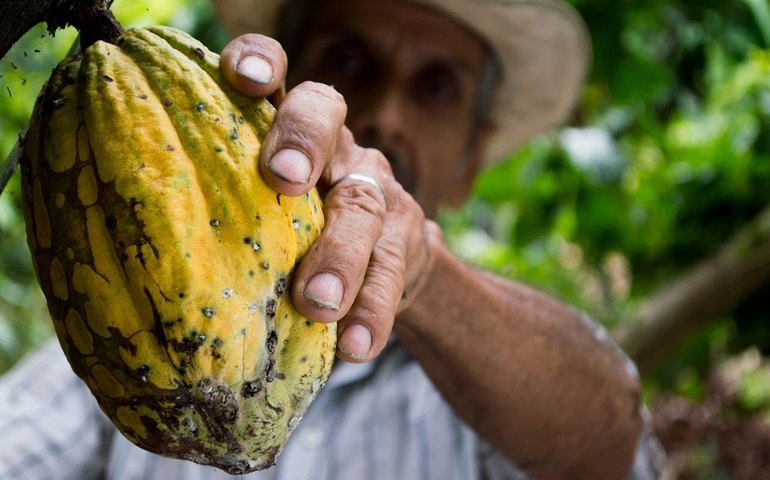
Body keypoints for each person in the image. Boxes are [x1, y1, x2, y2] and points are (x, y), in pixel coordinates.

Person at [0, 0, 664, 478]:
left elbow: (608, 443)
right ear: (271, 87)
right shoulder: (126, 332)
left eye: (436, 86)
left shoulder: (491, 389)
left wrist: (422, 274)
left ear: (473, 159)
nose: (385, 112)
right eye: (348, 59)